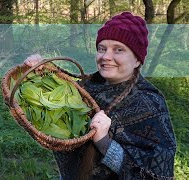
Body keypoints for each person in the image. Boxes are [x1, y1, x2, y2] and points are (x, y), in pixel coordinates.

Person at [24, 12, 177, 179]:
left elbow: (155, 175)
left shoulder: (150, 104)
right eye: (102, 49)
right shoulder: (86, 88)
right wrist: (41, 72)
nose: (106, 56)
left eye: (118, 50)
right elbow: (56, 123)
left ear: (137, 60)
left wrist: (104, 142)